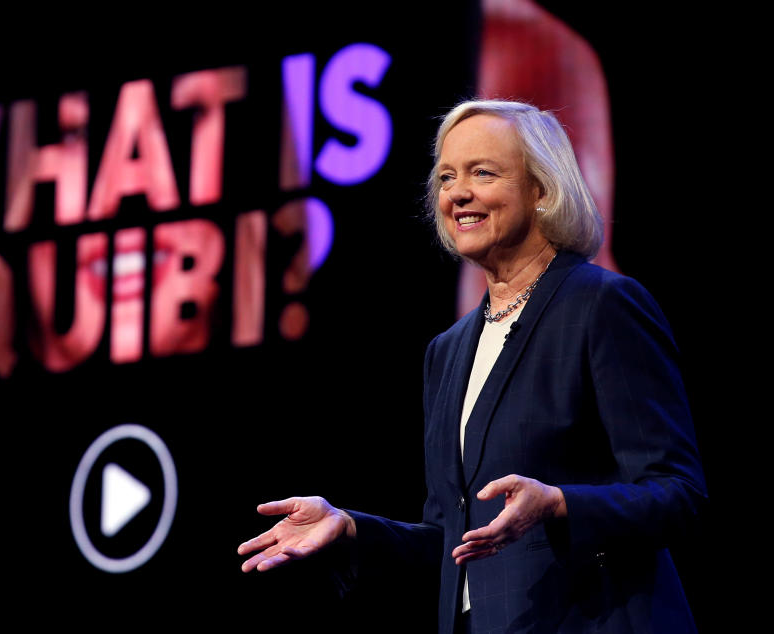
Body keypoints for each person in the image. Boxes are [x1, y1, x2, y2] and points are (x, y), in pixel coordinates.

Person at [238, 99, 706, 633]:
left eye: (483, 173)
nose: (457, 192)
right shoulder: (448, 350)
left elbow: (678, 495)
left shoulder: (602, 305)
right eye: (446, 176)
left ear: (541, 190)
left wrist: (558, 505)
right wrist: (350, 528)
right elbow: (453, 542)